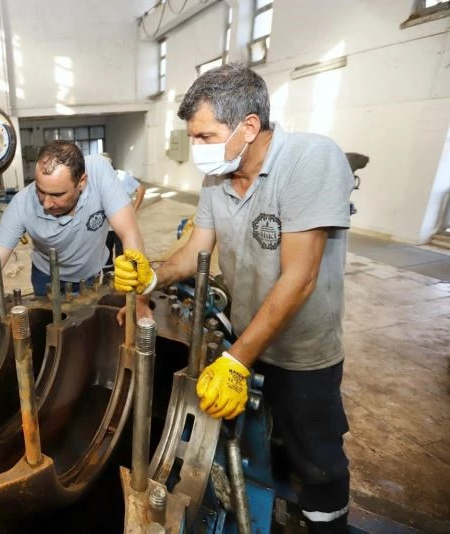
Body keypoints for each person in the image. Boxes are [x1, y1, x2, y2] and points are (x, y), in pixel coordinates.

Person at [115, 64, 354, 533]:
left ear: (248, 126)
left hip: (302, 353)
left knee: (317, 460)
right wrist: (152, 276)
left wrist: (236, 362)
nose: (197, 150)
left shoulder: (310, 159)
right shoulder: (217, 180)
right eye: (193, 138)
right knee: (260, 442)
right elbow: (194, 254)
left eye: (206, 136)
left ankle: (328, 524)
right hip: (247, 339)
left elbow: (301, 277)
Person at [0, 140, 148, 380]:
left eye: (57, 194)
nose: (46, 203)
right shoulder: (22, 205)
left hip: (93, 274)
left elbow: (130, 233)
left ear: (82, 182)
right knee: (53, 338)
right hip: (47, 279)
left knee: (92, 337)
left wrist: (140, 299)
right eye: (40, 191)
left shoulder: (99, 172)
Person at [100, 152, 146, 271]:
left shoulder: (123, 176)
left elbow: (141, 190)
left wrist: (133, 210)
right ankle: (108, 279)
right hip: (105, 228)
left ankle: (121, 279)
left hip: (122, 226)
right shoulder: (97, 179)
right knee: (105, 259)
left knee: (123, 258)